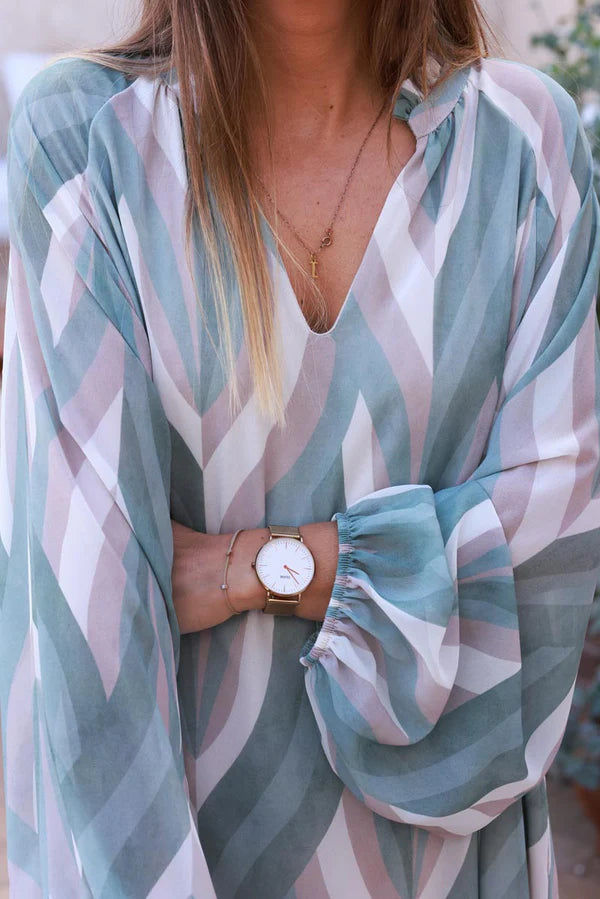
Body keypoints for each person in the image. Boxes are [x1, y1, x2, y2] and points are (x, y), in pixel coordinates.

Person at [1, 0, 599, 896]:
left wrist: (258, 567)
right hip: (173, 852)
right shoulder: (86, 144)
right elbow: (84, 639)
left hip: (445, 860)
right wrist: (413, 575)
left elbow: (546, 559)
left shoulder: (525, 145)